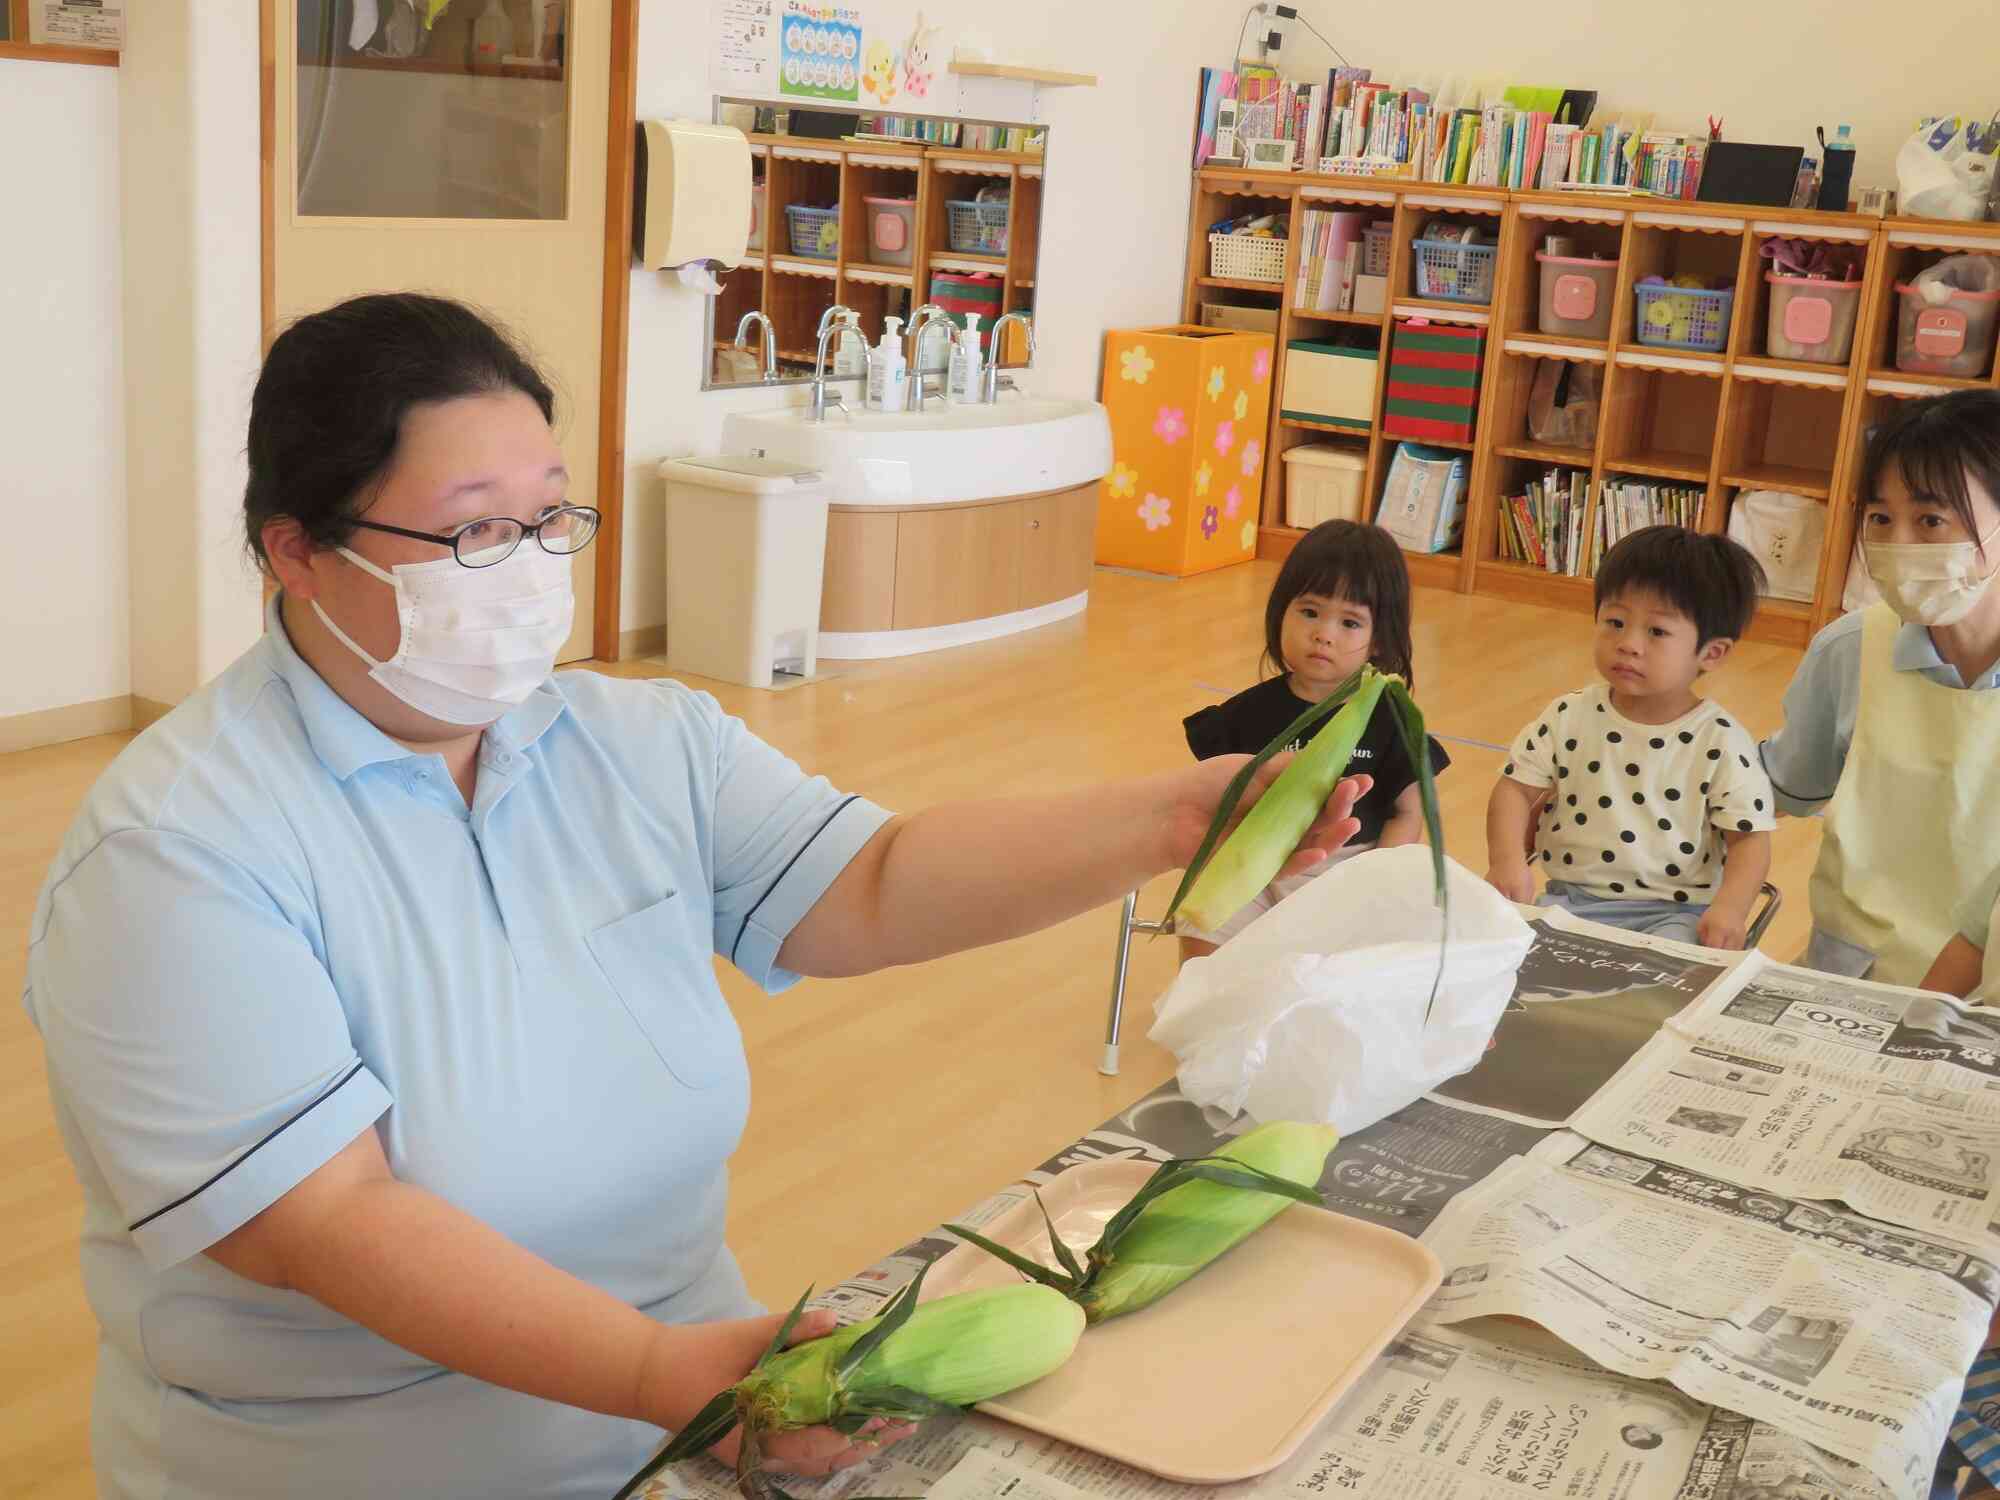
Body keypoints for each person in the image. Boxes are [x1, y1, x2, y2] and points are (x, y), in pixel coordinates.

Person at [20, 294, 1368, 1500]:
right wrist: (671, 1375)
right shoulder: (174, 857)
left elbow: (877, 883)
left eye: (549, 516)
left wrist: (1173, 816)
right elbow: (331, 1225)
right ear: (298, 552)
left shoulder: (632, 741)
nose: (533, 564)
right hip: (382, 1457)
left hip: (689, 1413)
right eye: (473, 528)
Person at [1761, 390, 2000, 986]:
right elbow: (1776, 787)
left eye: (1930, 520)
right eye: (1880, 518)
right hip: (1851, 980)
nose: (1899, 544)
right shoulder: (1850, 649)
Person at [1484, 526, 1774, 948]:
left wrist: (1730, 908)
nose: (1629, 644)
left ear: (1711, 653)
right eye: (1615, 622)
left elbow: (1748, 838)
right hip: (1569, 902)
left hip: (1673, 915)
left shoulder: (1722, 741)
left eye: (1656, 632)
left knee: (1663, 983)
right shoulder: (1569, 715)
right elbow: (1513, 790)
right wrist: (1507, 860)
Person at [1177, 519, 1449, 957]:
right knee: (1201, 921)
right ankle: (1203, 1012)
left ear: (1379, 640)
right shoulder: (1248, 712)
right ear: (1280, 611)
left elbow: (1409, 813)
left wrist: (1376, 881)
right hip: (1259, 866)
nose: (1324, 633)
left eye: (1350, 623)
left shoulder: (1391, 718)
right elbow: (1217, 799)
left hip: (1348, 868)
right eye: (1309, 612)